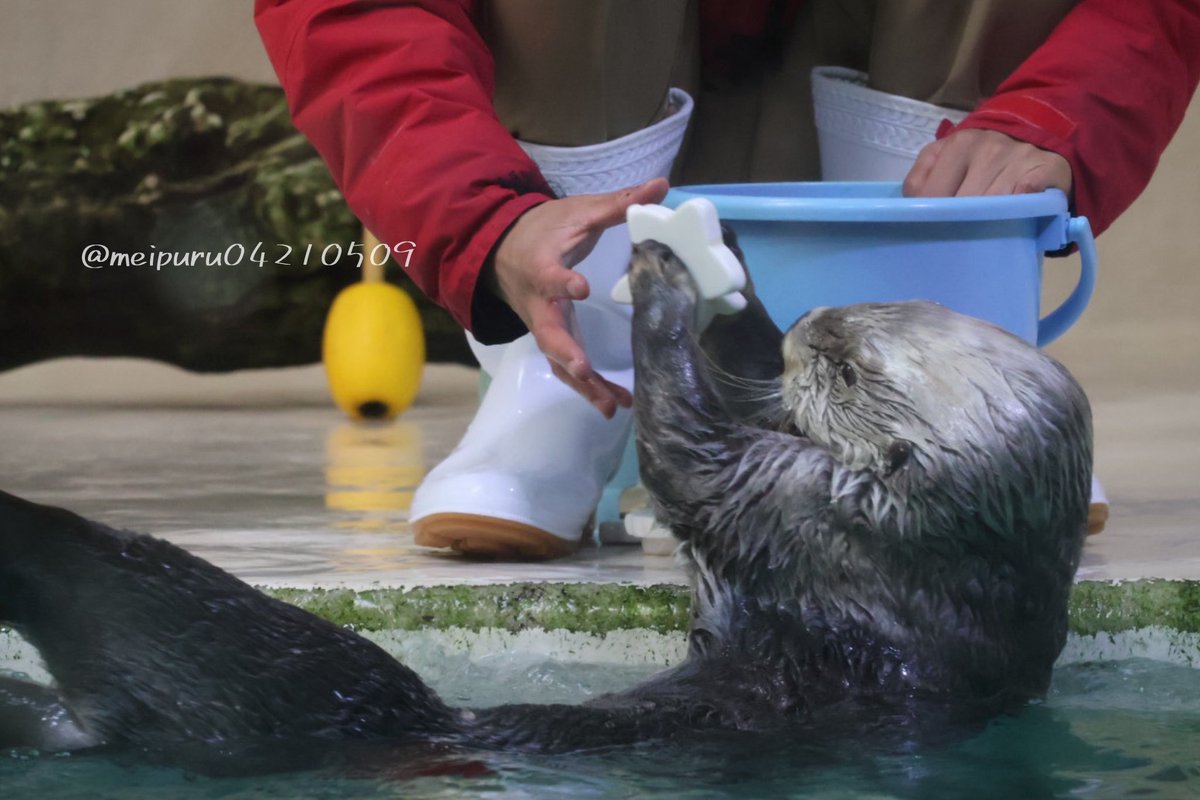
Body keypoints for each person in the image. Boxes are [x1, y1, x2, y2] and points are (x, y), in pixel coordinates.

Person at [255, 0, 1200, 558]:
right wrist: (483, 217)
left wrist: (1059, 114)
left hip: (893, 120)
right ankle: (583, 382)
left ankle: (938, 377)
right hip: (593, 142)